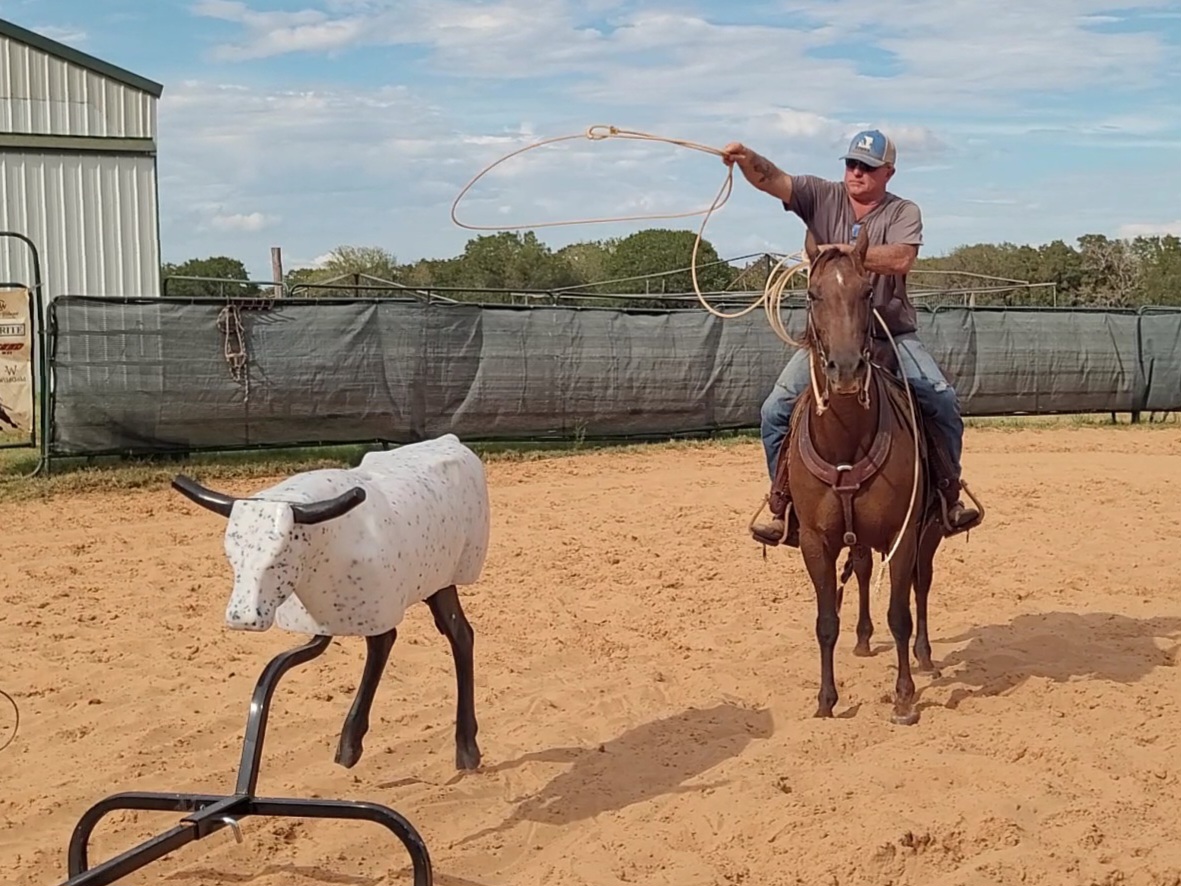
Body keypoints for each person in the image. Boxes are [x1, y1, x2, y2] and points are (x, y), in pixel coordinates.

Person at [720, 128, 981, 546]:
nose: (857, 172)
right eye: (852, 164)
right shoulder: (820, 195)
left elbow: (902, 257)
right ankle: (782, 503)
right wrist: (745, 157)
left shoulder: (903, 212)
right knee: (774, 410)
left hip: (890, 333)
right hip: (828, 339)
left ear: (888, 173)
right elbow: (773, 179)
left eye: (867, 167)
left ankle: (948, 494)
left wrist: (844, 253)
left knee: (941, 399)